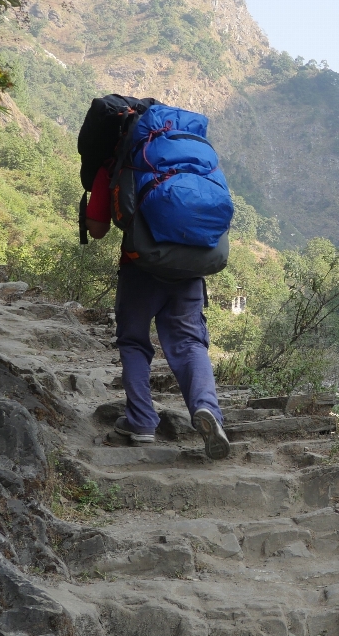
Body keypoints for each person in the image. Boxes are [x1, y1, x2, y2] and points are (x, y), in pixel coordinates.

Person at [85, 165, 230, 458]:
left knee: (134, 342)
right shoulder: (197, 159)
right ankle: (206, 408)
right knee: (190, 344)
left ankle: (141, 423)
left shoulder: (119, 158)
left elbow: (97, 229)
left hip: (140, 268)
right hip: (190, 268)